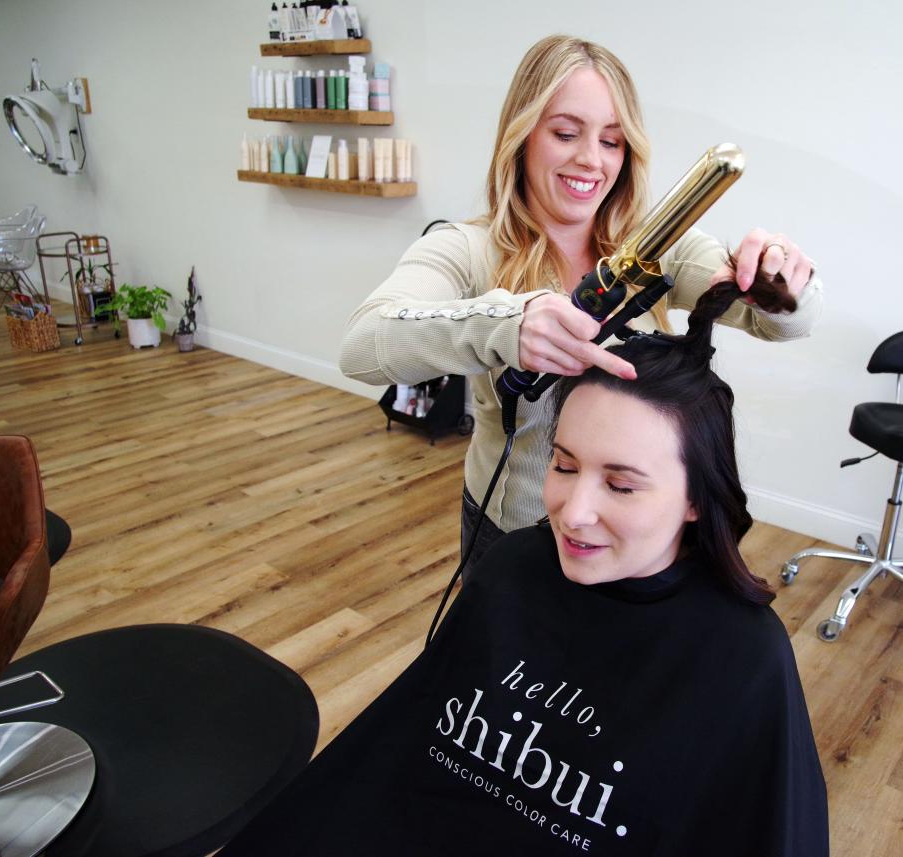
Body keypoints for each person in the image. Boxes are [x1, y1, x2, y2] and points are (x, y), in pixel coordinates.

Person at [220, 274, 829, 856]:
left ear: (697, 497)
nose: (573, 513)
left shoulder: (743, 658)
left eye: (621, 486)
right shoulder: (512, 570)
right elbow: (394, 758)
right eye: (563, 466)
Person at [339, 35, 823, 572]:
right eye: (566, 133)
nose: (591, 160)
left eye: (613, 142)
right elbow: (363, 346)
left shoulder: (658, 247)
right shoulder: (465, 250)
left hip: (632, 540)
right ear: (521, 136)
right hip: (514, 530)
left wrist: (782, 281)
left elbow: (785, 325)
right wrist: (506, 325)